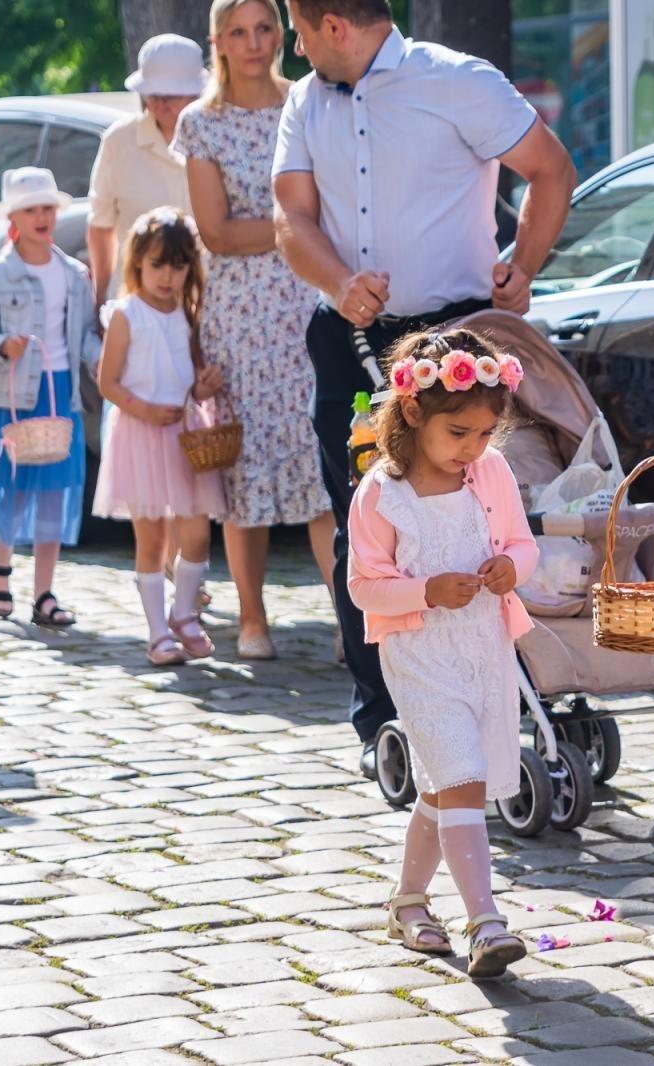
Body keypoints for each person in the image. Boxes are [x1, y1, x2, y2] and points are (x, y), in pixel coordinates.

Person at [274, 0, 576, 777]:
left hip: (454, 344)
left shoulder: (457, 81)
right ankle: (384, 718)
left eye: (298, 32)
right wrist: (339, 282)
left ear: (332, 25)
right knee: (362, 528)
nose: (294, 49)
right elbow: (290, 219)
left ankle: (499, 695)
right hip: (350, 340)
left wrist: (525, 265)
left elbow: (549, 168)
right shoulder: (305, 103)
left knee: (481, 518)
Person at [346, 327, 534, 980]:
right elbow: (364, 586)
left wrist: (512, 565)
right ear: (416, 412)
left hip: (484, 649)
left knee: (444, 785)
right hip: (418, 655)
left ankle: (407, 904)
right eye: (460, 433)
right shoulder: (381, 494)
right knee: (462, 778)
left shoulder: (492, 473)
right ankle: (486, 921)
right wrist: (424, 590)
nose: (473, 449)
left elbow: (523, 543)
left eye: (485, 434)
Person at [174, 0, 335, 661]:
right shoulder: (199, 122)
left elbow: (328, 201)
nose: (254, 42)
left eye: (265, 27)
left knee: (325, 463)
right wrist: (293, 225)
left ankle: (350, 621)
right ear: (217, 41)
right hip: (240, 315)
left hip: (310, 299)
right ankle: (251, 617)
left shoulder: (308, 101)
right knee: (247, 471)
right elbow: (214, 231)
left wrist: (291, 229)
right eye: (238, 32)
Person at [0, 168, 101, 627]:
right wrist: (0, 346)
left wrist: (110, 356)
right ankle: (1, 564)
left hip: (59, 393)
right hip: (13, 393)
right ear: (14, 217)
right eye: (31, 209)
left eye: (47, 209)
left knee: (54, 492)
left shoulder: (75, 275)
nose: (41, 217)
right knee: (12, 487)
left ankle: (45, 594)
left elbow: (86, 335)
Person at [92, 207, 227, 666]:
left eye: (177, 265)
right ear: (137, 265)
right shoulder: (127, 315)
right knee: (150, 541)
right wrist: (145, 409)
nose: (167, 276)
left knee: (196, 536)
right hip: (140, 435)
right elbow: (108, 382)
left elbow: (183, 377)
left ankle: (183, 613)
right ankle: (156, 632)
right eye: (157, 265)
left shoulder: (187, 316)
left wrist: (201, 388)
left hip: (183, 437)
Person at [87, 34, 206, 310]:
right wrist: (100, 296)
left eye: (172, 95)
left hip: (206, 303)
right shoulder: (119, 141)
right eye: (153, 95)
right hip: (139, 306)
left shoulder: (220, 137)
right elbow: (101, 225)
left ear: (197, 92)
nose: (162, 104)